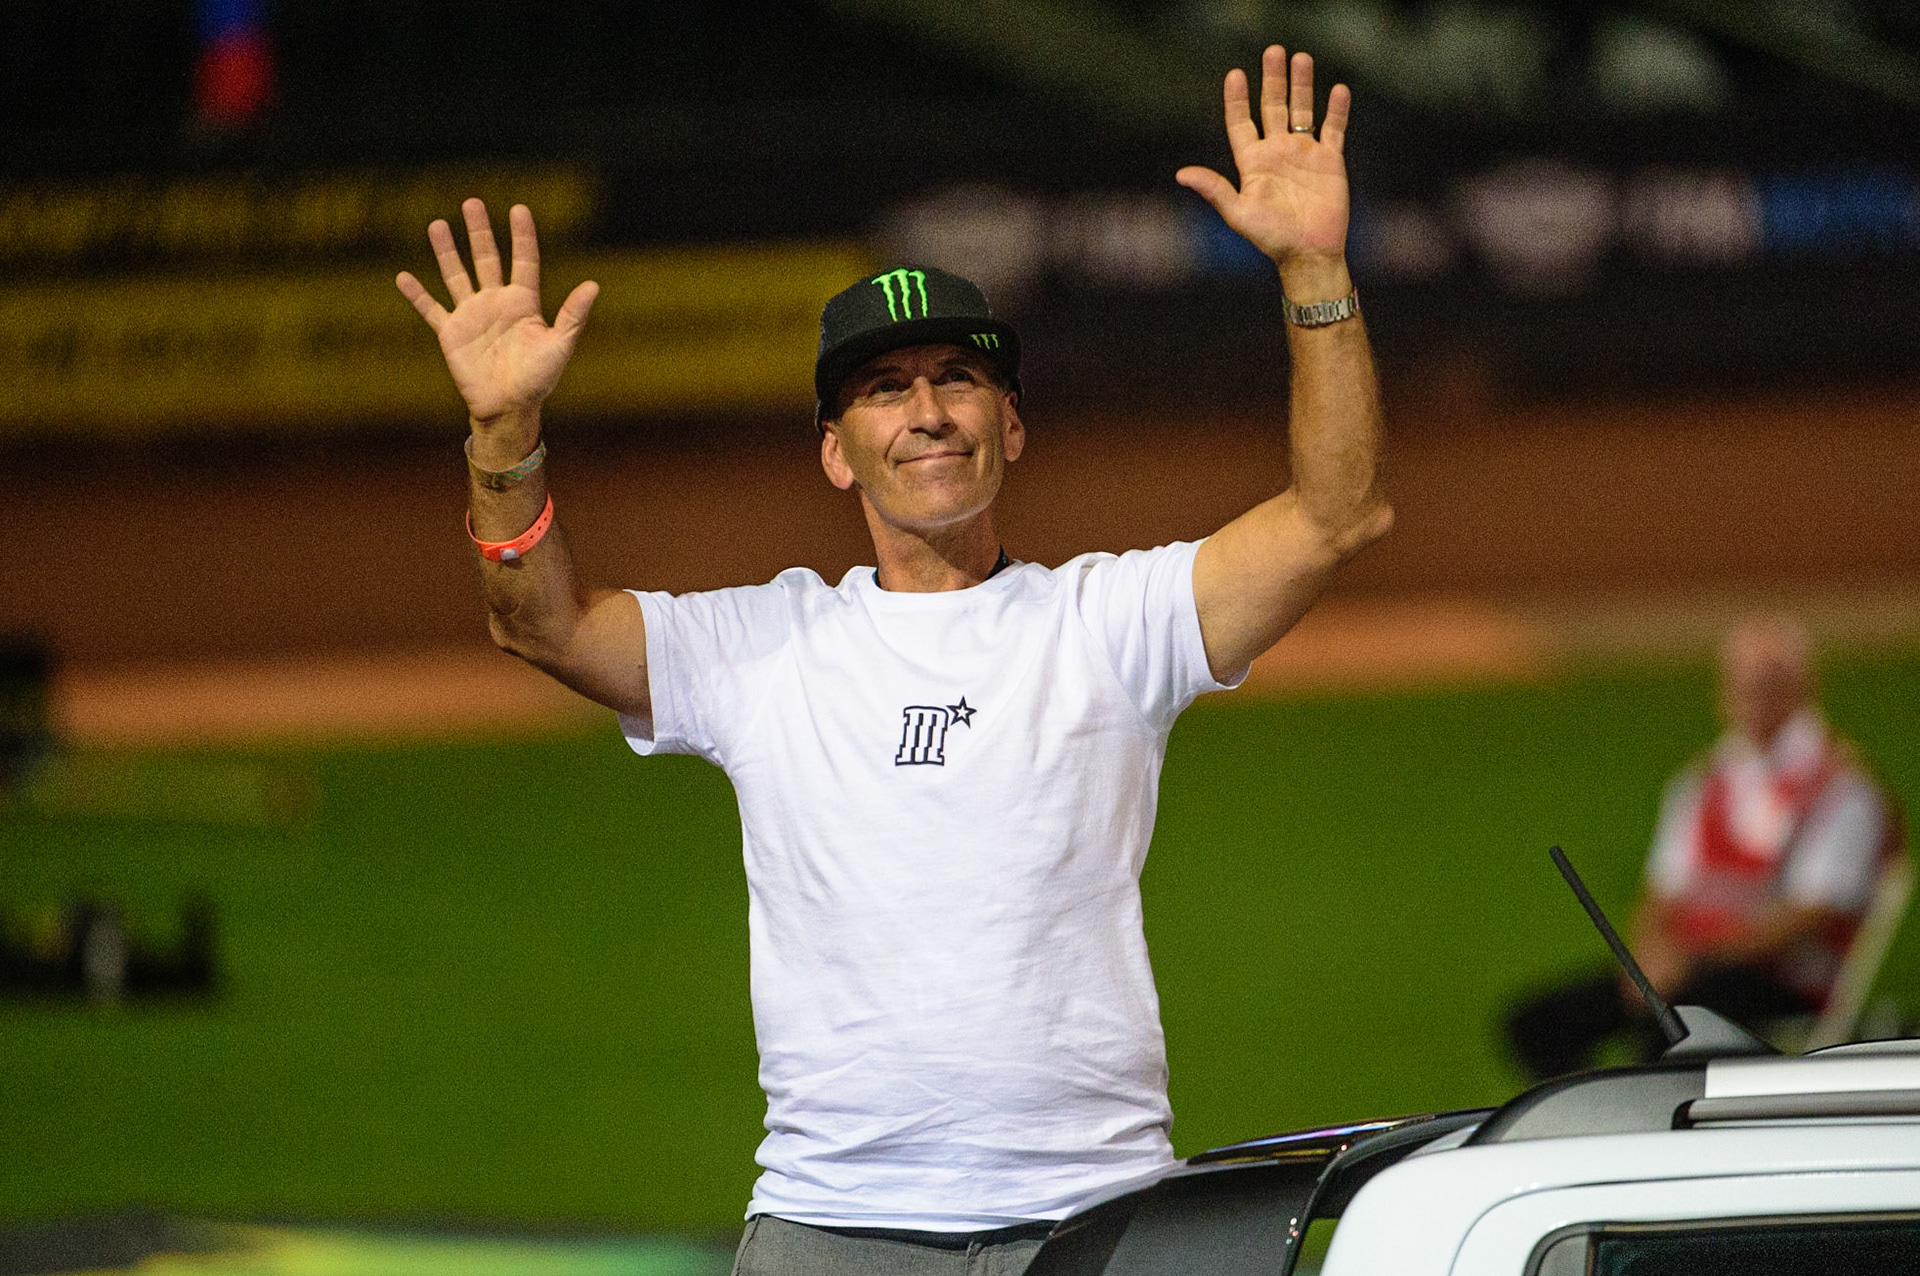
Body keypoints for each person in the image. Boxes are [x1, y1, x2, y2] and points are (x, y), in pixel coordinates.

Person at [397, 46, 1388, 1275]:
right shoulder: (762, 645)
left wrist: (1314, 272)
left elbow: (1333, 516)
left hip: (1103, 1220)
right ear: (835, 451)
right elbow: (537, 619)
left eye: (957, 377)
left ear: (1009, 425)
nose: (925, 409)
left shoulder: (1108, 621)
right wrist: (504, 427)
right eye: (882, 389)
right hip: (836, 1226)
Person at [1507, 618, 1904, 1081]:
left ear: (1802, 688)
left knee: (1669, 1028)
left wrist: (1697, 958)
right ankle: (1582, 1122)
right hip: (1691, 969)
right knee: (1538, 1024)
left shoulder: (1840, 789)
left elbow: (1813, 913)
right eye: (1744, 685)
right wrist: (1649, 958)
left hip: (1780, 980)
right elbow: (1663, 892)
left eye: (1770, 685)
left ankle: (1664, 1132)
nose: (1755, 699)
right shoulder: (1704, 782)